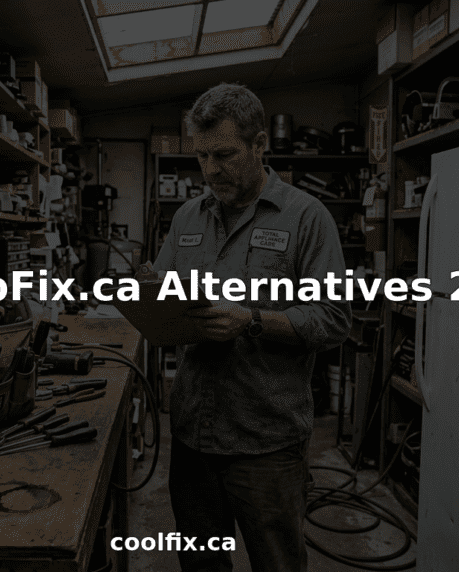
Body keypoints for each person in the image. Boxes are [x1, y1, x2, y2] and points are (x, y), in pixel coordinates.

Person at [150, 83, 352, 572]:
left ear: (260, 145)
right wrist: (148, 302)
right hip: (193, 436)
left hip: (266, 443)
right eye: (201, 156)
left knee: (276, 563)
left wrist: (252, 321)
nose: (210, 169)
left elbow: (334, 318)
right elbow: (160, 291)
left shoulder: (306, 217)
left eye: (224, 154)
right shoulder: (186, 218)